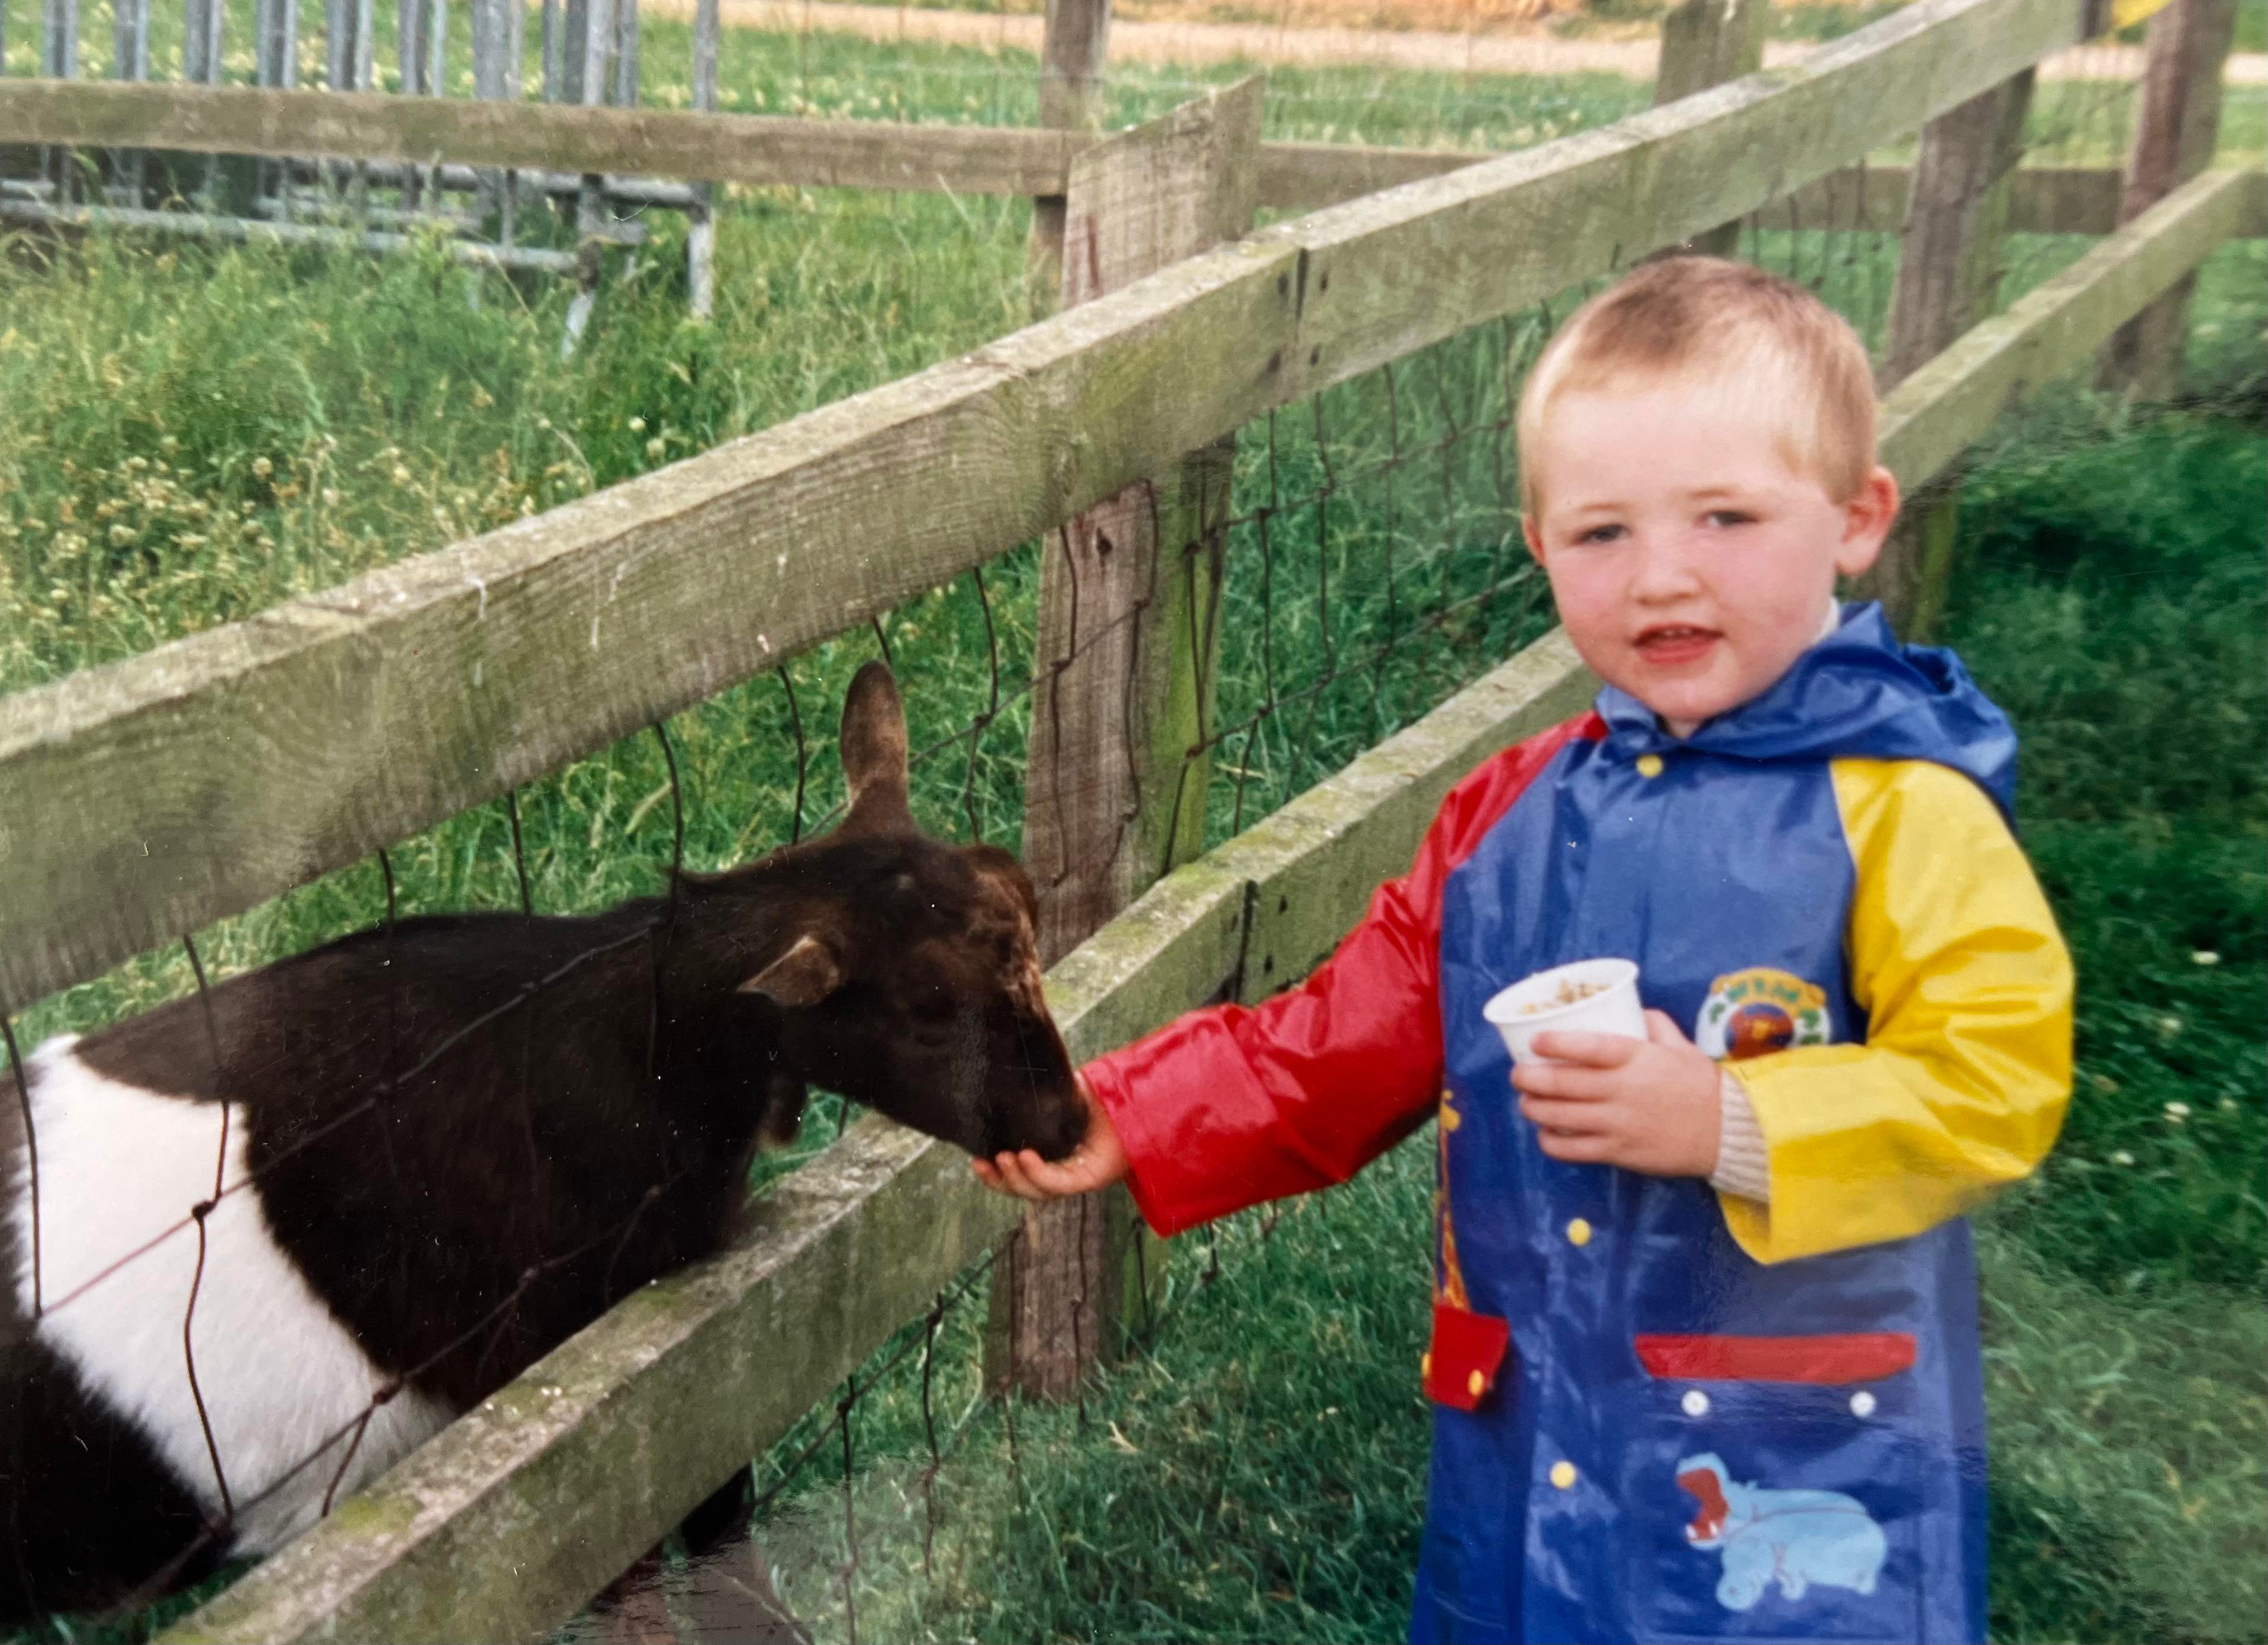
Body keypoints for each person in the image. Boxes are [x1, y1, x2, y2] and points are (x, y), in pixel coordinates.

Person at [974, 255, 2073, 1645]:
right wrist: (1128, 1112)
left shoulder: (1901, 811)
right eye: (1602, 531)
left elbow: (1993, 1086)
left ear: (1855, 520)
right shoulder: (1508, 816)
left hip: (1786, 1442)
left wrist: (1732, 1118)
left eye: (1726, 516)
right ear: (1538, 544)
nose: (1661, 573)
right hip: (1535, 1419)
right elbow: (1352, 1028)